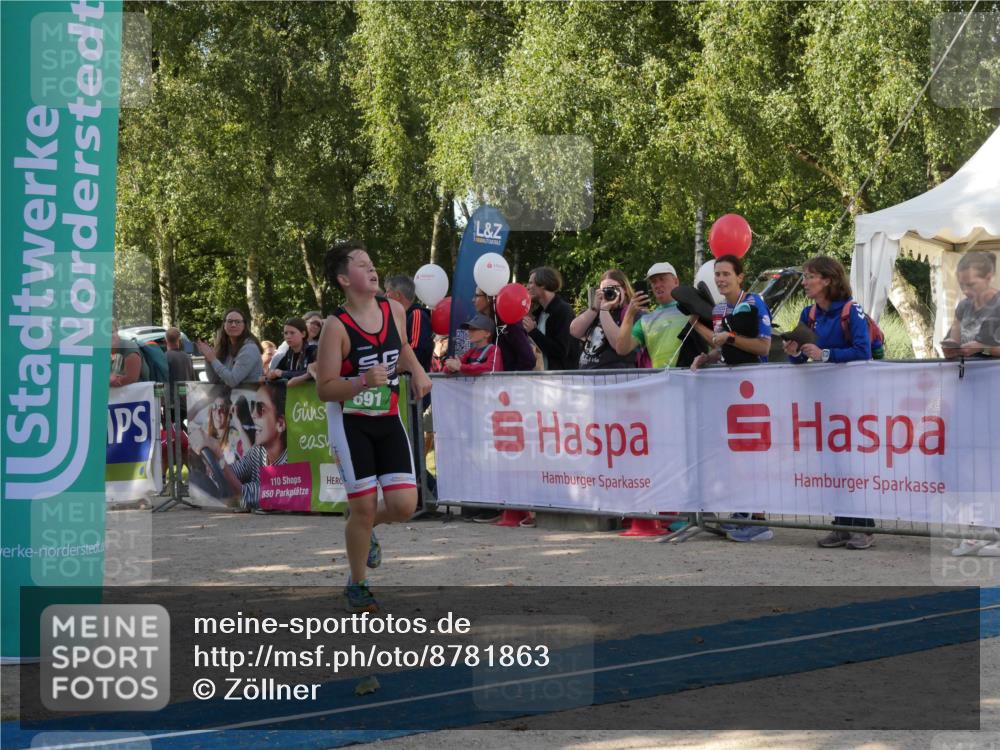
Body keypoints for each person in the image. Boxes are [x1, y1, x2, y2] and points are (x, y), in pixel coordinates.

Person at [316, 240, 433, 613]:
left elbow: (401, 348)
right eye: (361, 265)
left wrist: (416, 371)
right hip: (350, 424)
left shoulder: (394, 309)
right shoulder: (336, 326)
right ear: (343, 279)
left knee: (403, 505)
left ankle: (365, 531)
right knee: (363, 507)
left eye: (371, 263)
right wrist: (362, 382)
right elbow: (324, 388)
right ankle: (358, 583)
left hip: (388, 416)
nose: (372, 269)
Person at [782, 256, 876, 550]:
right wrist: (794, 351)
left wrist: (824, 354)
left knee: (853, 463)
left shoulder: (852, 310)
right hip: (823, 400)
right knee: (831, 462)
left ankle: (864, 527)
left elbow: (863, 351)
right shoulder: (808, 313)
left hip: (853, 399)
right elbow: (797, 359)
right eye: (805, 276)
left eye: (810, 276)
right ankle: (842, 525)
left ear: (828, 280)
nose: (805, 281)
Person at [691, 254, 774, 543]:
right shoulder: (719, 310)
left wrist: (729, 339)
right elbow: (722, 348)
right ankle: (742, 512)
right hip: (730, 390)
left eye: (726, 274)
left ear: (740, 276)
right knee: (736, 454)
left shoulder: (754, 302)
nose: (721, 279)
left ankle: (760, 520)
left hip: (756, 387)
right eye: (717, 275)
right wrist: (707, 356)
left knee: (754, 454)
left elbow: (763, 346)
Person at [191, 381, 287, 512]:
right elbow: (233, 472)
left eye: (261, 409)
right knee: (198, 479)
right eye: (253, 407)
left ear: (280, 424)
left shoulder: (289, 464)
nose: (253, 415)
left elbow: (244, 495)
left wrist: (218, 455)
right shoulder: (259, 452)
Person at [614, 262, 693, 368]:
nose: (657, 285)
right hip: (661, 381)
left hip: (693, 379)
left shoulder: (693, 309)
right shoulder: (646, 320)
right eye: (653, 282)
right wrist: (629, 314)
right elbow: (621, 349)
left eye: (662, 279)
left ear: (676, 281)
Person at [572, 270, 638, 369]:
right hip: (587, 378)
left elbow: (618, 344)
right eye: (605, 290)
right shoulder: (595, 312)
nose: (609, 292)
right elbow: (574, 331)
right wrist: (594, 309)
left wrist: (604, 311)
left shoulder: (633, 313)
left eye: (614, 288)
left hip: (615, 378)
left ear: (624, 289)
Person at [943, 252, 1000, 359]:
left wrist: (983, 348)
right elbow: (954, 339)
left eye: (970, 284)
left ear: (988, 278)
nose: (965, 291)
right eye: (961, 284)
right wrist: (950, 347)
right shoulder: (963, 306)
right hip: (966, 373)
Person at [523, 266, 579, 370]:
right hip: (546, 378)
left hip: (562, 379)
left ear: (543, 284)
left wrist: (534, 332)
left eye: (531, 283)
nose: (527, 287)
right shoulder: (540, 313)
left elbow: (561, 351)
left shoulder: (563, 310)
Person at [475, 287, 536, 372]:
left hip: (509, 383)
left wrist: (509, 379)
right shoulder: (488, 322)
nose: (473, 300)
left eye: (477, 295)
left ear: (489, 298)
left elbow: (529, 360)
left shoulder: (510, 322)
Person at [198, 309, 263, 387]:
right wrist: (208, 359)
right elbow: (214, 380)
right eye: (229, 321)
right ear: (224, 325)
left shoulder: (250, 348)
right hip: (230, 397)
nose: (233, 325)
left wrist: (213, 359)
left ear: (244, 326)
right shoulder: (225, 347)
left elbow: (232, 381)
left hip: (250, 397)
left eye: (238, 322)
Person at [386, 276, 434, 373]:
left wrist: (394, 368)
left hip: (412, 382)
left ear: (398, 295)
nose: (385, 295)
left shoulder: (417, 314)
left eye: (388, 291)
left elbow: (417, 349)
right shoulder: (399, 317)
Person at [268, 317, 317, 387]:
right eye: (286, 333)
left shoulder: (313, 350)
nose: (288, 336)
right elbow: (276, 371)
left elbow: (312, 372)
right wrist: (271, 374)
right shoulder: (288, 354)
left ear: (303, 334)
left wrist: (283, 373)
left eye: (292, 333)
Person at [109, 321, 149, 387]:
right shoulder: (109, 350)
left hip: (138, 394)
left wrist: (109, 381)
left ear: (117, 331)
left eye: (111, 332)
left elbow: (131, 378)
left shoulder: (130, 349)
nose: (109, 336)